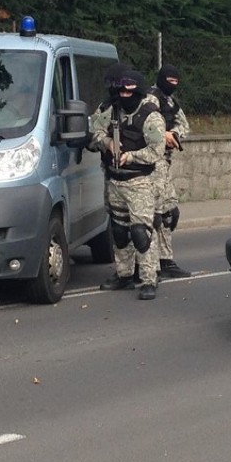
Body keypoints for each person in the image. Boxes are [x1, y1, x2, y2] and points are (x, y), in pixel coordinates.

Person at [90, 65, 166, 300]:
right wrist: (108, 144)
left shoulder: (150, 115)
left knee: (141, 233)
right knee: (119, 231)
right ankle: (123, 275)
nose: (125, 97)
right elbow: (94, 130)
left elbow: (156, 150)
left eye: (129, 93)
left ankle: (148, 279)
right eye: (121, 92)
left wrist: (130, 156)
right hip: (114, 180)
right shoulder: (110, 111)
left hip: (139, 182)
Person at [149, 64, 191, 278]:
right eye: (169, 81)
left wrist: (173, 133)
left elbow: (184, 125)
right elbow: (140, 127)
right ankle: (149, 265)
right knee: (153, 215)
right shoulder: (149, 99)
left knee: (169, 213)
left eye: (176, 82)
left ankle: (166, 260)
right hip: (151, 164)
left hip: (165, 163)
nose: (172, 85)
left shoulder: (170, 102)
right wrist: (161, 134)